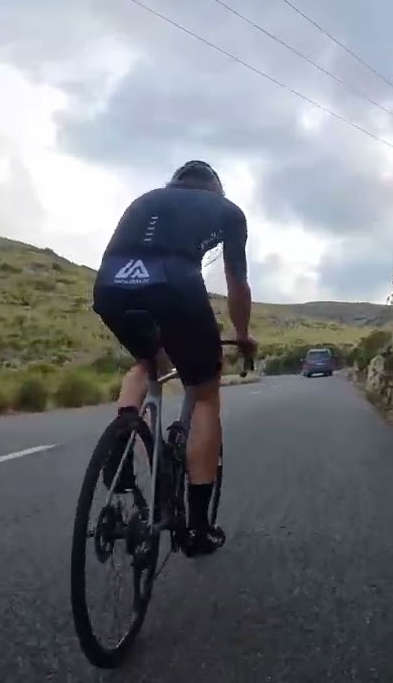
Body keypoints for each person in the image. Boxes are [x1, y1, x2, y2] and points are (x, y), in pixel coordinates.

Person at [92, 160, 255, 558]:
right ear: (215, 189)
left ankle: (121, 443)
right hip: (176, 287)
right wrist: (242, 333)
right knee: (203, 392)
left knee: (149, 363)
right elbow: (237, 284)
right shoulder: (228, 211)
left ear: (174, 183)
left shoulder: (145, 199)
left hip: (112, 285)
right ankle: (198, 528)